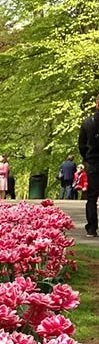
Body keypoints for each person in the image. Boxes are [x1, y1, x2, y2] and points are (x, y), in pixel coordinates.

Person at [78, 92, 99, 236]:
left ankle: (92, 227)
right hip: (93, 160)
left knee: (92, 196)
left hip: (93, 162)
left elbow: (81, 145)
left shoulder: (87, 123)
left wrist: (87, 157)